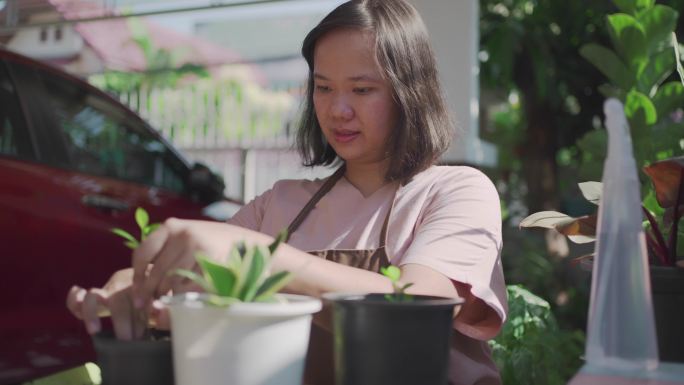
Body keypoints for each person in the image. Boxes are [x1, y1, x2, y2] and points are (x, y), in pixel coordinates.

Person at [67, 1, 507, 384]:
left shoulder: (456, 192)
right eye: (323, 87)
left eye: (362, 89)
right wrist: (130, 289)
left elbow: (418, 308)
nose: (338, 109)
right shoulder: (278, 205)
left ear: (410, 94)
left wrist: (255, 255)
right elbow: (193, 266)